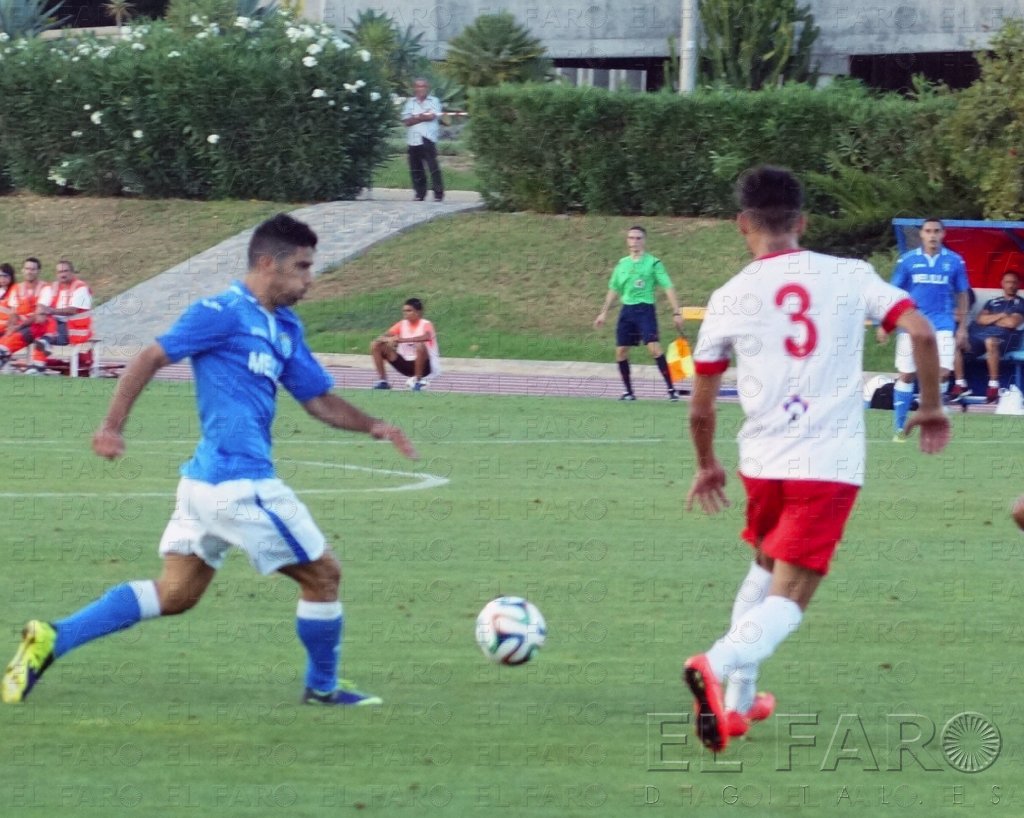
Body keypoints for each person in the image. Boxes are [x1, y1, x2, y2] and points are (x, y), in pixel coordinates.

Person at [2, 214, 418, 707]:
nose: (309, 280)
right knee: (324, 575)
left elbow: (318, 399)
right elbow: (149, 357)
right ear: (267, 263)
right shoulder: (220, 311)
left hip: (202, 488)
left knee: (175, 595)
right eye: (302, 268)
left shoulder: (284, 325)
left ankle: (51, 637)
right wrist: (111, 426)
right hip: (237, 484)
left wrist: (373, 424)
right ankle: (324, 688)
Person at [683, 166, 950, 754]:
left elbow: (700, 408)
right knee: (790, 598)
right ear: (803, 222)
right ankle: (716, 662)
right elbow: (924, 335)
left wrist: (707, 464)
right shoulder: (850, 275)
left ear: (742, 226)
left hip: (762, 461)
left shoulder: (727, 298)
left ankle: (739, 703)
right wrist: (930, 406)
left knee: (763, 565)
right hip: (826, 464)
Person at [876, 218, 969, 440]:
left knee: (943, 373)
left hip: (943, 324)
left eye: (937, 231)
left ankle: (933, 419)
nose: (932, 235)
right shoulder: (907, 261)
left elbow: (962, 293)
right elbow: (893, 293)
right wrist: (885, 323)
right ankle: (899, 428)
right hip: (912, 325)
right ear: (922, 235)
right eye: (928, 231)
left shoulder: (955, 261)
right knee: (907, 374)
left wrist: (963, 326)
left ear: (943, 234)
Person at [594, 225, 685, 400]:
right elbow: (613, 289)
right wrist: (603, 313)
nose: (634, 241)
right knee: (621, 352)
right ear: (627, 241)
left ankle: (671, 389)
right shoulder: (622, 264)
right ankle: (629, 392)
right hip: (627, 311)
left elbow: (668, 286)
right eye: (631, 238)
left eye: (638, 238)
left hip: (645, 309)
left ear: (644, 241)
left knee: (654, 348)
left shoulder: (653, 263)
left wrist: (676, 311)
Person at [950, 270, 1024, 403]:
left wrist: (990, 319)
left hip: (1007, 337)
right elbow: (980, 319)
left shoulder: (1020, 303)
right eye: (1008, 282)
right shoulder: (992, 302)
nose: (1011, 285)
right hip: (980, 334)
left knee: (990, 341)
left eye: (1014, 282)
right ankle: (960, 384)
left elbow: (1012, 323)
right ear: (1002, 284)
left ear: (1018, 284)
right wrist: (1001, 316)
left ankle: (993, 387)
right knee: (956, 342)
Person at [27, 259, 93, 372]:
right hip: (56, 327)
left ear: (72, 272)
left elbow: (72, 310)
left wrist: (50, 311)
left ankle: (38, 365)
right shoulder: (52, 287)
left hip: (74, 330)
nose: (62, 274)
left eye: (65, 271)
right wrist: (42, 312)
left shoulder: (80, 287)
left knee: (43, 329)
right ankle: (38, 361)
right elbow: (41, 306)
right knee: (40, 325)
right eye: (59, 272)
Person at [369, 297, 441, 391]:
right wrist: (389, 339)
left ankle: (418, 382)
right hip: (406, 364)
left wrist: (402, 340)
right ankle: (383, 381)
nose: (405, 313)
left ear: (418, 312)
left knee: (420, 345)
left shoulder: (426, 324)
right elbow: (380, 337)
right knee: (376, 345)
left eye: (409, 310)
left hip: (426, 367)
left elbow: (426, 337)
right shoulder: (401, 324)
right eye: (404, 311)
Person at [0, 257, 49, 372]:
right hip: (15, 326)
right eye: (27, 268)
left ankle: (36, 369)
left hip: (33, 326)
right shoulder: (18, 288)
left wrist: (14, 326)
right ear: (23, 270)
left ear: (38, 271)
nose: (29, 271)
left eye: (33, 269)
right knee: (6, 342)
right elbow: (13, 312)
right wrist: (12, 327)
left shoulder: (45, 288)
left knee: (6, 345)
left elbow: (39, 315)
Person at [400, 78, 444, 203]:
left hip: (428, 138)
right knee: (416, 168)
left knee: (433, 167)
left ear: (427, 87)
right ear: (414, 88)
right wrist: (421, 116)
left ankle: (438, 194)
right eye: (418, 86)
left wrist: (416, 117)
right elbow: (406, 121)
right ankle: (420, 194)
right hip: (413, 139)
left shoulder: (434, 101)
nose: (420, 89)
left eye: (423, 86)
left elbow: (431, 116)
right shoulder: (410, 103)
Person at [0, 263, 15, 335]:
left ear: (11, 277)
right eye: (0, 276)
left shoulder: (15, 290)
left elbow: (16, 312)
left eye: (5, 276)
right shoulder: (1, 290)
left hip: (7, 324)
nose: (2, 279)